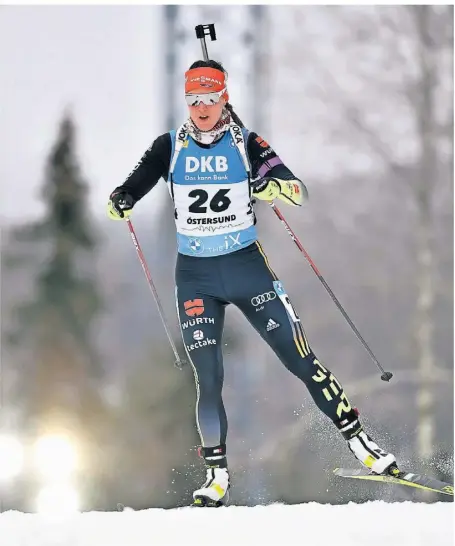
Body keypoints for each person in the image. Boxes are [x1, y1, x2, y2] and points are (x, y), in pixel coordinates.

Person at [107, 59, 399, 507]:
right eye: (193, 99)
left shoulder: (247, 142)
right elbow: (137, 181)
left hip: (247, 269)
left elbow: (296, 187)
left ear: (224, 97)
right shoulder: (171, 145)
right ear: (185, 101)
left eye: (210, 97)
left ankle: (362, 444)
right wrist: (122, 198)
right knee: (209, 379)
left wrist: (275, 188)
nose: (201, 107)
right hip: (196, 277)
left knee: (300, 359)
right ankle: (217, 476)